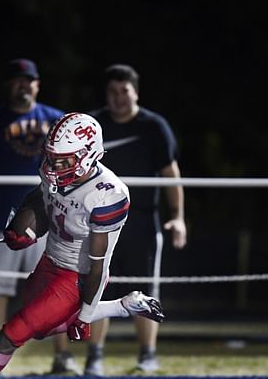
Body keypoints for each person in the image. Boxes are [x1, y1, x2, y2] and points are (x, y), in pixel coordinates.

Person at [0, 112, 165, 379]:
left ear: (88, 155)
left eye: (63, 161)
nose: (54, 167)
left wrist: (85, 317)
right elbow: (42, 198)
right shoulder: (56, 173)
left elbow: (98, 265)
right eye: (52, 159)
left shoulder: (106, 194)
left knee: (11, 333)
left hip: (77, 276)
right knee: (42, 328)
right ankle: (124, 305)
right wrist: (24, 228)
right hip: (49, 260)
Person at [0, 59, 77, 374]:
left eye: (29, 80)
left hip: (48, 222)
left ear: (37, 84)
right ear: (9, 85)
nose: (23, 85)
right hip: (0, 220)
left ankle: (63, 357)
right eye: (17, 80)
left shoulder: (55, 119)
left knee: (58, 290)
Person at [84, 64, 187, 374]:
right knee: (96, 286)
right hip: (100, 223)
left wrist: (178, 217)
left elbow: (171, 175)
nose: (118, 98)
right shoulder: (94, 125)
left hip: (142, 222)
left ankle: (147, 354)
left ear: (135, 92)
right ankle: (95, 357)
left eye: (124, 91)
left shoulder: (154, 127)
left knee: (145, 288)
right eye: (112, 92)